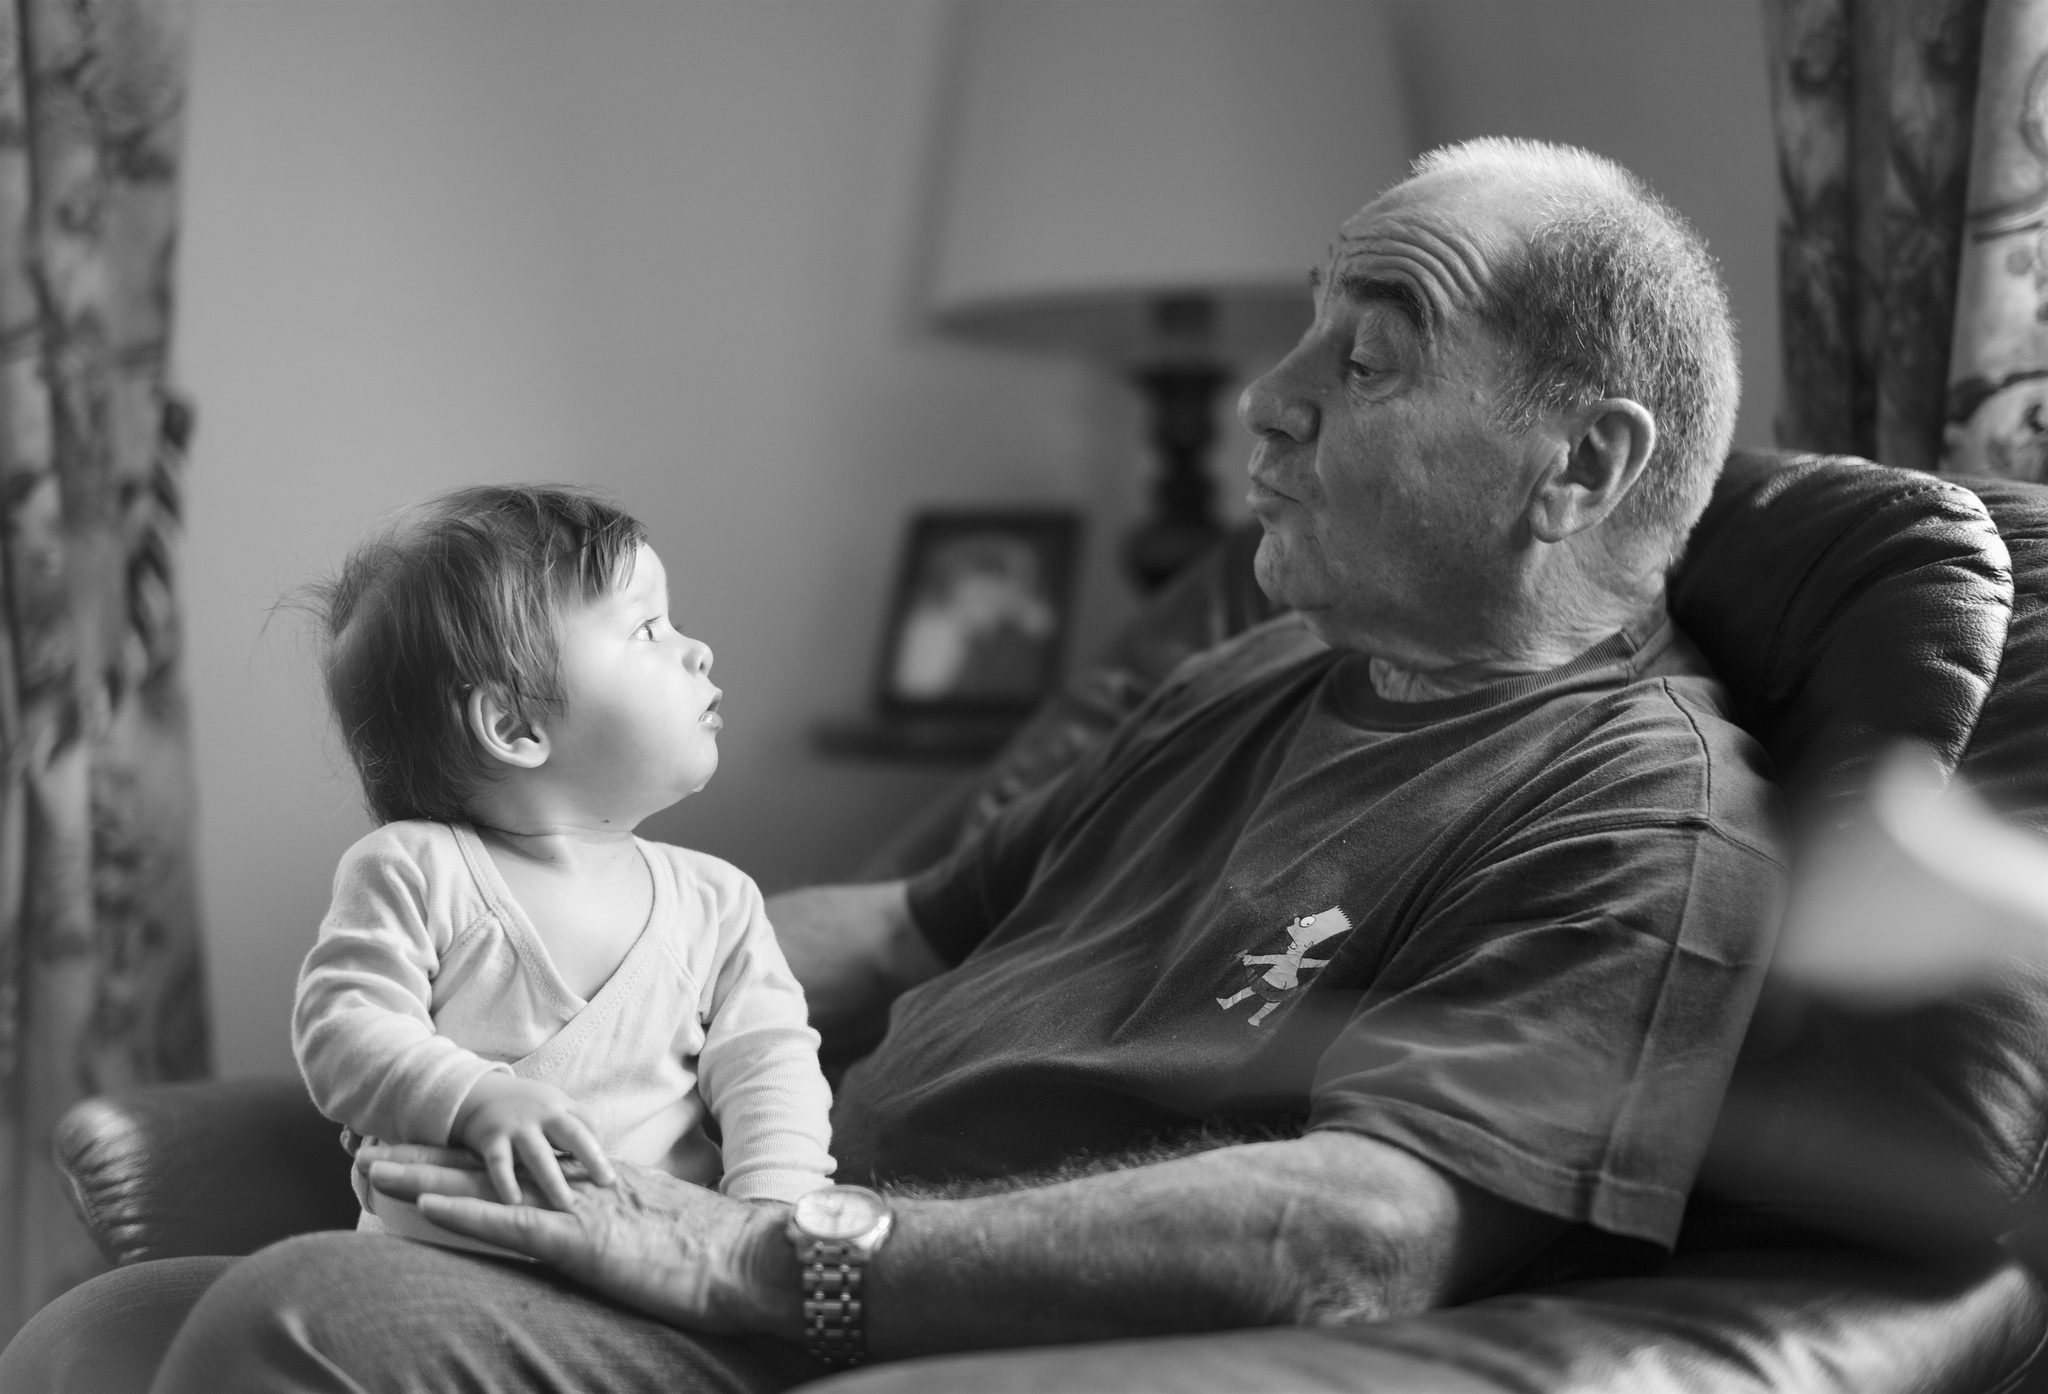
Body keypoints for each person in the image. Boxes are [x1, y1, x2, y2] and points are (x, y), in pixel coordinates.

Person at [0, 137, 1784, 1394]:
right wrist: (549, 986)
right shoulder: (1253, 676)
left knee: (298, 1324)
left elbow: (1375, 1228)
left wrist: (771, 1249)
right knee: (101, 1333)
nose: (1272, 392)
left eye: (1368, 356)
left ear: (1577, 467)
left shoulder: (1634, 811)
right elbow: (905, 926)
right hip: (761, 1212)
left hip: (924, 1326)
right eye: (1308, 323)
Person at [296, 487, 835, 1252]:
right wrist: (468, 1100)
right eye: (647, 629)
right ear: (513, 723)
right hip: (440, 1261)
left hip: (657, 1262)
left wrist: (773, 1223)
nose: (698, 650)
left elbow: (770, 1068)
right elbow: (343, 1030)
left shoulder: (719, 904)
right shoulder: (416, 870)